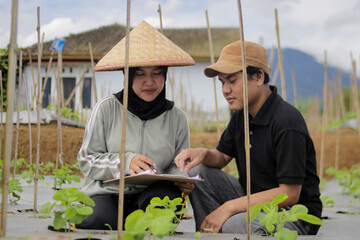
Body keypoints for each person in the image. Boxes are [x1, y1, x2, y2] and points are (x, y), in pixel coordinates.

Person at [174, 40, 322, 235]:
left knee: (230, 226)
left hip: (291, 214)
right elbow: (221, 158)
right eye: (222, 82)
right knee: (199, 172)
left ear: (259, 77)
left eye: (232, 80)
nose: (225, 89)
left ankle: (219, 228)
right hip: (253, 199)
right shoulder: (241, 116)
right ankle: (209, 231)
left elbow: (290, 194)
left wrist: (229, 207)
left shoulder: (287, 122)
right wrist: (202, 153)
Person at [77, 20, 195, 230]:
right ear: (127, 77)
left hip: (154, 194)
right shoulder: (106, 109)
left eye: (157, 73)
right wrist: (125, 162)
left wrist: (181, 179)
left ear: (165, 75)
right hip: (108, 193)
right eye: (140, 74)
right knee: (98, 220)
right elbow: (87, 160)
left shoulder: (177, 117)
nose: (149, 82)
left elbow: (178, 164)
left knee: (161, 214)